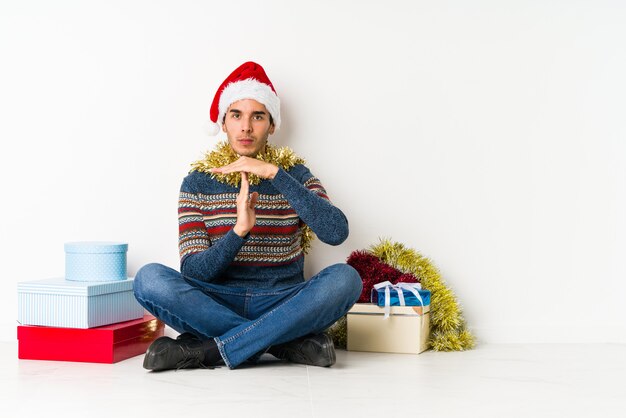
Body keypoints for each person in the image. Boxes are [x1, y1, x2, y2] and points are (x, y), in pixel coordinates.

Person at [134, 61, 362, 371]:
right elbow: (194, 273)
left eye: (257, 116)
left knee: (345, 279)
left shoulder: (294, 174)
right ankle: (282, 342)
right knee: (149, 279)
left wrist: (273, 173)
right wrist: (239, 232)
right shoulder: (197, 182)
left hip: (283, 299)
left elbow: (336, 232)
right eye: (236, 115)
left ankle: (209, 350)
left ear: (272, 125)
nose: (245, 127)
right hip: (217, 301)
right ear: (223, 123)